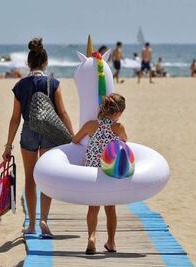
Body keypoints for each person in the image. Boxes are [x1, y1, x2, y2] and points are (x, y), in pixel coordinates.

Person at [2, 38, 74, 236]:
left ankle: (32, 224)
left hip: (28, 132)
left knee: (30, 179)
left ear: (28, 63)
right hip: (50, 132)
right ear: (45, 62)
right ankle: (44, 220)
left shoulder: (20, 86)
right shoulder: (53, 83)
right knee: (47, 178)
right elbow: (63, 113)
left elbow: (15, 118)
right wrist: (73, 136)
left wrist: (8, 145)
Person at [72, 93, 127, 255]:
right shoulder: (118, 127)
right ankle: (111, 242)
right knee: (110, 208)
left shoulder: (91, 125)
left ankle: (91, 238)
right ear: (117, 113)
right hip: (108, 171)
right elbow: (125, 141)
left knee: (93, 207)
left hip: (92, 172)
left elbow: (75, 140)